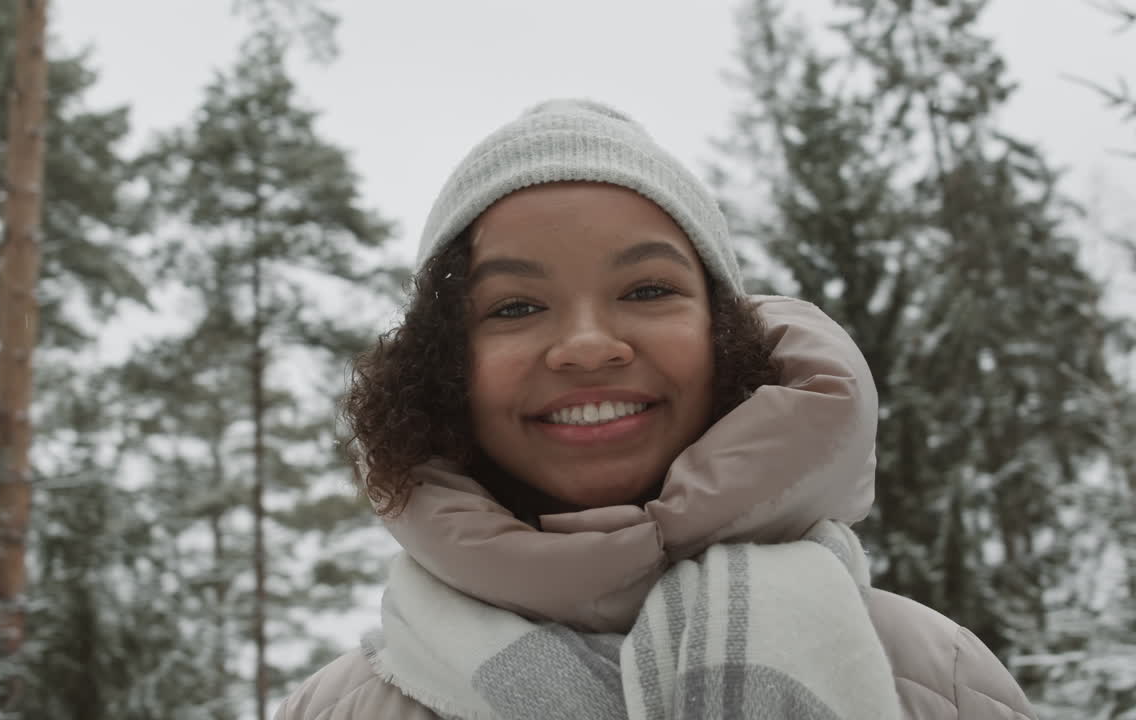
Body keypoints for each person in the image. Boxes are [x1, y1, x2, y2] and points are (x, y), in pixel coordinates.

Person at [277, 99, 1037, 720]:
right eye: (514, 306)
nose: (586, 346)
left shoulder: (936, 681)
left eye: (646, 290)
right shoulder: (340, 710)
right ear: (442, 367)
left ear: (727, 338)